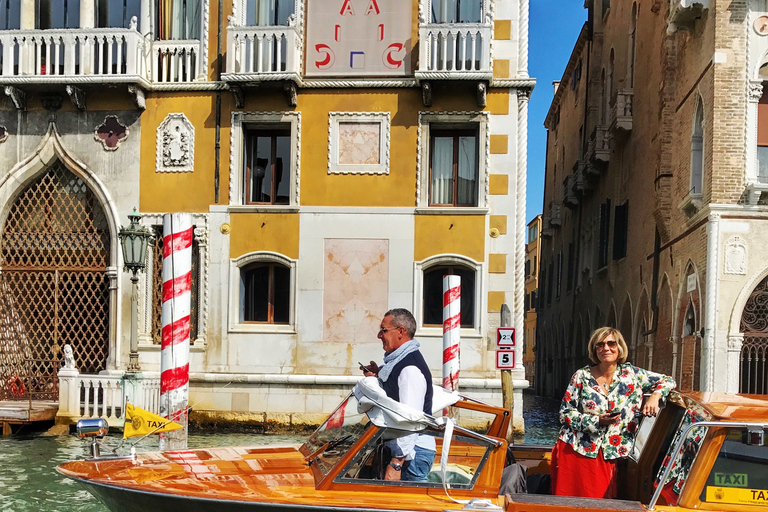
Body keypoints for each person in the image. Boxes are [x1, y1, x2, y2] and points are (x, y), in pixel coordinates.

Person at [550, 326, 676, 498]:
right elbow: (565, 414)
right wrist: (596, 421)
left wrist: (655, 395)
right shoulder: (581, 376)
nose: (606, 348)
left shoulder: (633, 374)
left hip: (618, 451)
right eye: (600, 345)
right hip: (579, 449)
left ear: (619, 348)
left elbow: (668, 380)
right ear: (594, 349)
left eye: (611, 343)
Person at [360, 308, 436, 482]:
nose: (379, 335)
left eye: (383, 330)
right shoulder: (397, 363)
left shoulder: (409, 369)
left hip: (412, 454)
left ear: (401, 332)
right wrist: (378, 375)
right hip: (404, 451)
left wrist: (396, 463)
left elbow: (410, 418)